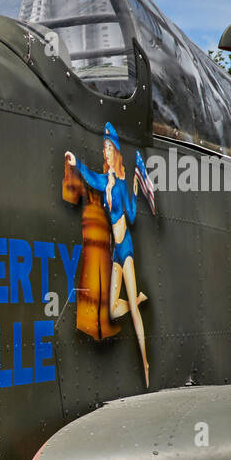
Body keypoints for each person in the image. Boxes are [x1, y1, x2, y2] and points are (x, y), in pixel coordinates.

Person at [64, 124, 154, 387]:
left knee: (135, 316)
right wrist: (76, 162)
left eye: (107, 147)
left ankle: (146, 364)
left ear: (114, 150)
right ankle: (136, 298)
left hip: (125, 246)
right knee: (114, 311)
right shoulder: (106, 181)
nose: (104, 152)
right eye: (103, 147)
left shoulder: (123, 183)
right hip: (115, 250)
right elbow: (91, 178)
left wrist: (136, 187)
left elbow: (133, 215)